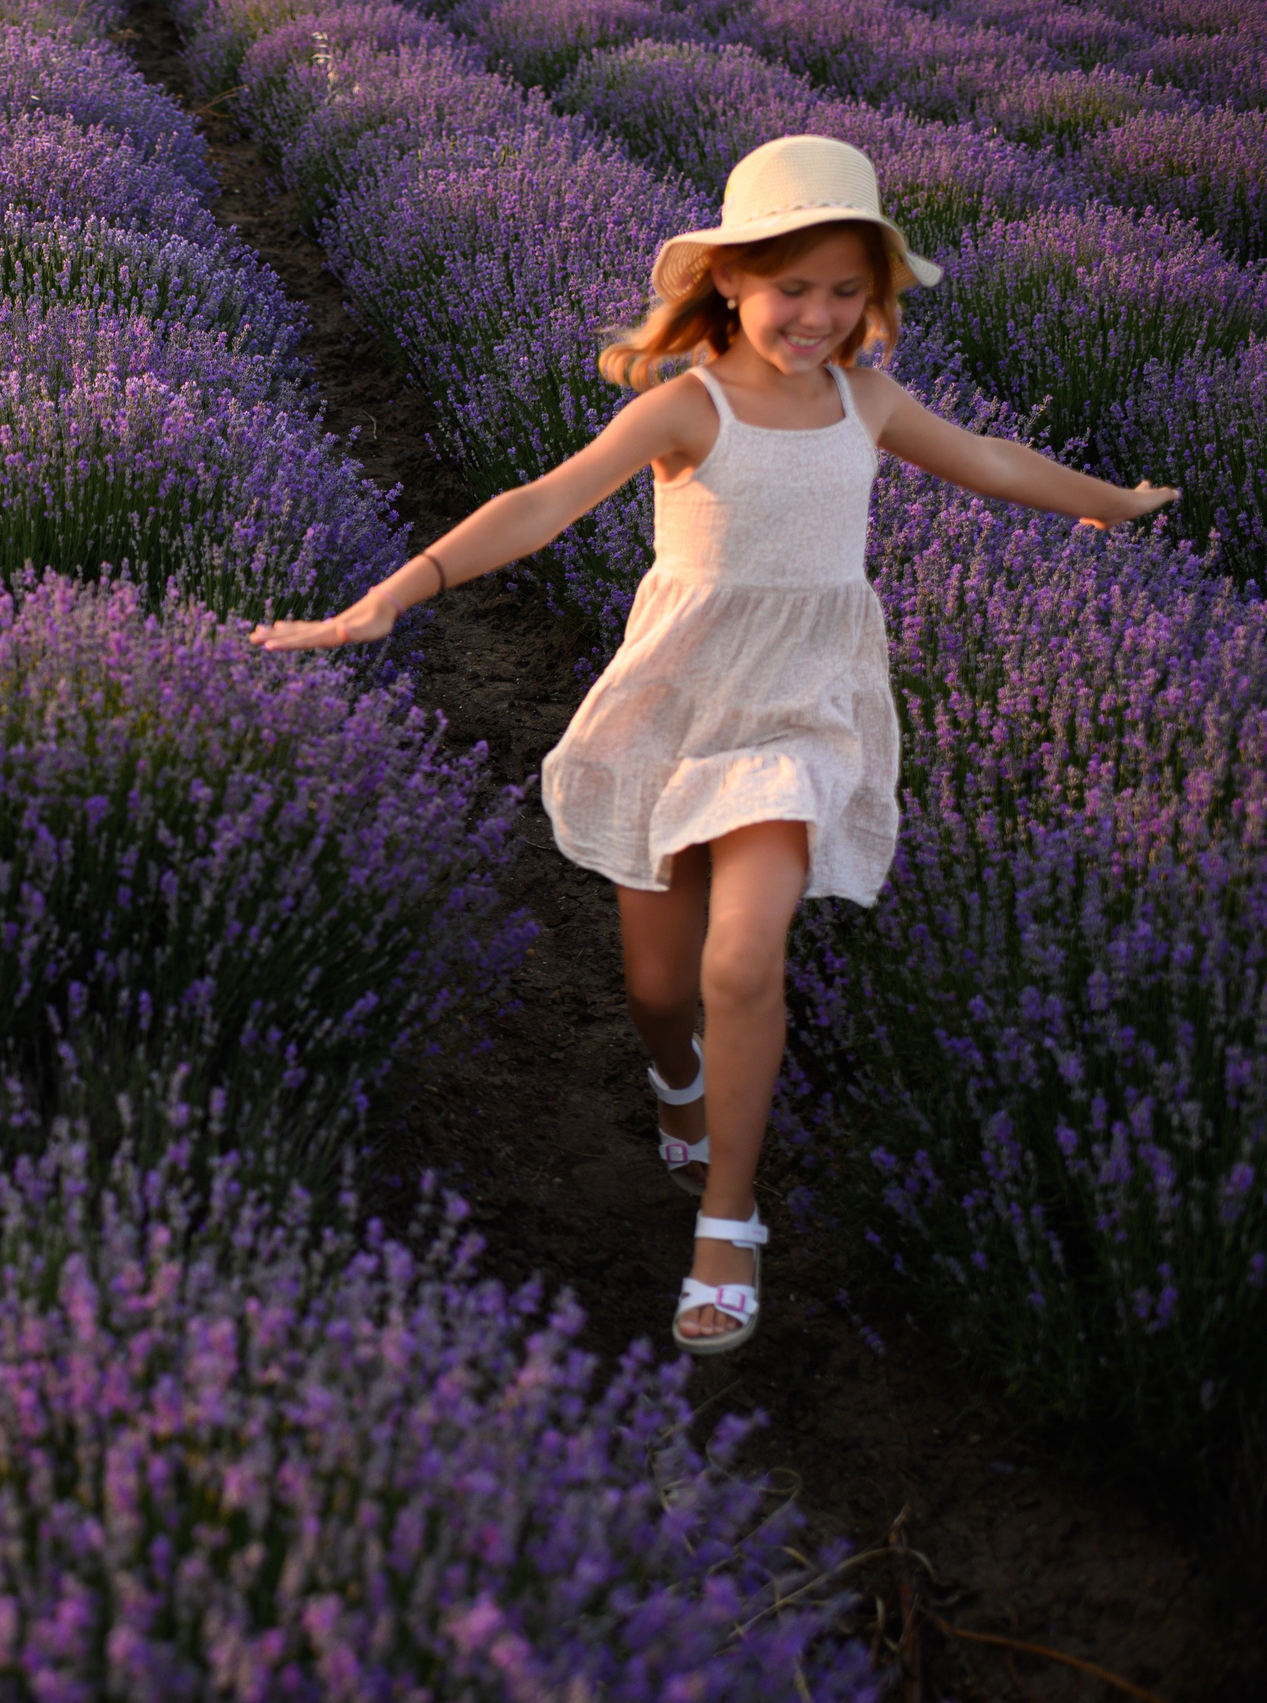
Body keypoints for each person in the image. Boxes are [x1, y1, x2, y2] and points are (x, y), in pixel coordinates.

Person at [251, 136, 1176, 1356]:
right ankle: (677, 1084)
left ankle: (727, 1222)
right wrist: (390, 594)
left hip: (799, 713)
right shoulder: (688, 406)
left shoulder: (865, 402)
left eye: (845, 290)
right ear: (728, 280)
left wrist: (1111, 500)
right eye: (793, 286)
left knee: (742, 959)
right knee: (657, 989)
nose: (819, 315)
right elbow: (542, 502)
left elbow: (990, 461)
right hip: (675, 707)